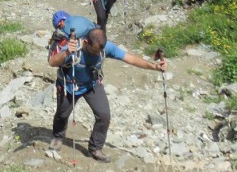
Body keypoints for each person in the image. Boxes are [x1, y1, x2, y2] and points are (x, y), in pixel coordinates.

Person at [48, 27, 167, 162]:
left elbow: (130, 59)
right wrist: (67, 52)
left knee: (104, 115)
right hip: (69, 85)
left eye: (98, 51)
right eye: (94, 51)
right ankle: (58, 136)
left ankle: (95, 148)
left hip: (92, 85)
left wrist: (154, 67)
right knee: (62, 114)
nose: (96, 54)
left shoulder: (105, 48)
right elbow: (52, 62)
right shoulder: (74, 46)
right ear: (85, 42)